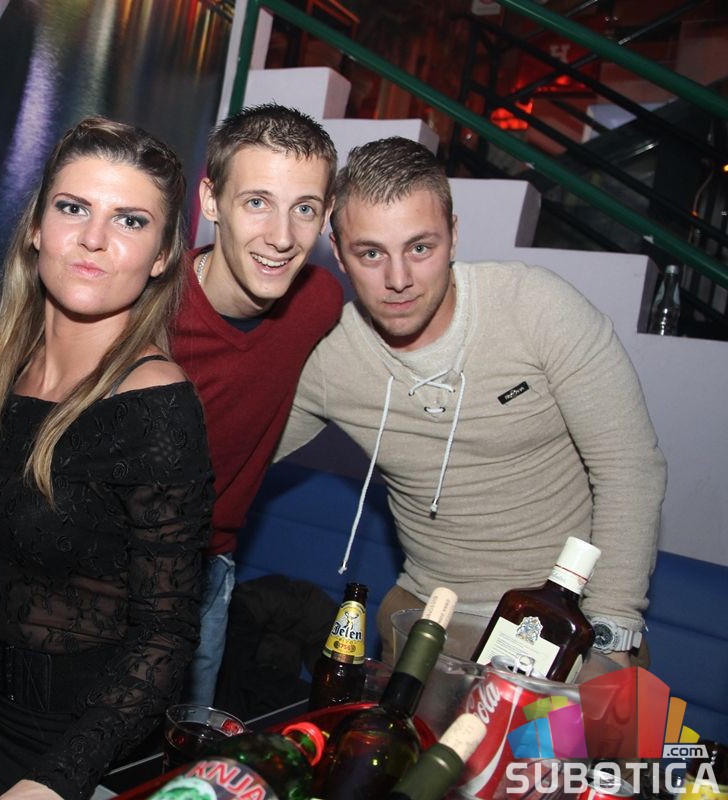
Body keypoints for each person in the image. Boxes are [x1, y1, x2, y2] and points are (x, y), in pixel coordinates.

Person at [0, 103, 344, 708]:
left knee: (170, 751)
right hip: (79, 580)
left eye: (303, 209)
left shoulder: (319, 300)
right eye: (257, 202)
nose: (281, 236)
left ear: (325, 217)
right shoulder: (130, 306)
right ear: (211, 201)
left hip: (205, 573)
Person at [0, 117, 215, 800]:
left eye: (130, 221)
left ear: (162, 256)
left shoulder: (156, 407)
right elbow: (10, 540)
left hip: (83, 743)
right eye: (73, 208)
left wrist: (54, 782)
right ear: (38, 228)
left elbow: (164, 637)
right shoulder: (11, 370)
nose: (94, 238)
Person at [275, 136, 667, 668]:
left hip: (563, 622)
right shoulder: (329, 356)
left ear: (454, 237)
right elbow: (236, 456)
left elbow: (630, 468)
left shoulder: (536, 308)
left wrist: (611, 631)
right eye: (371, 253)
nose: (398, 279)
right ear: (339, 254)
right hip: (428, 616)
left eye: (420, 248)